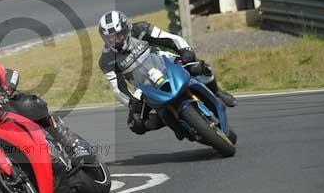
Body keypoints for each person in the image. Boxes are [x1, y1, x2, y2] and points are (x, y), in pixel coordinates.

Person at [97, 10, 236, 135]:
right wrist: (132, 103)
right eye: (110, 38)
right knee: (135, 124)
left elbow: (171, 38)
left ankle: (217, 91)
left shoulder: (141, 29)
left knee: (199, 67)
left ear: (126, 29)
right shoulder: (106, 60)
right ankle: (168, 119)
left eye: (119, 36)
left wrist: (185, 51)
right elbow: (118, 89)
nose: (115, 41)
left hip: (167, 64)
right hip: (144, 87)